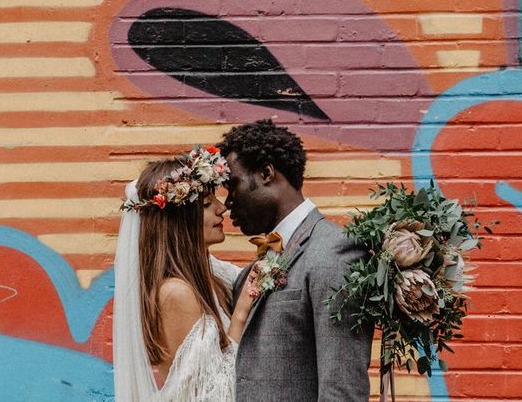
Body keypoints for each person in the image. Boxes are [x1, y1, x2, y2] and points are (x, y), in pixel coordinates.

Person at [220, 119, 373, 402]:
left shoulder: (334, 253)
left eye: (233, 185)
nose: (228, 202)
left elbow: (343, 391)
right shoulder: (253, 269)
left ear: (266, 173)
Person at [113, 146, 255, 401]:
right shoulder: (176, 293)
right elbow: (212, 394)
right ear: (179, 221)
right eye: (206, 204)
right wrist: (241, 315)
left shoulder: (212, 273)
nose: (222, 209)